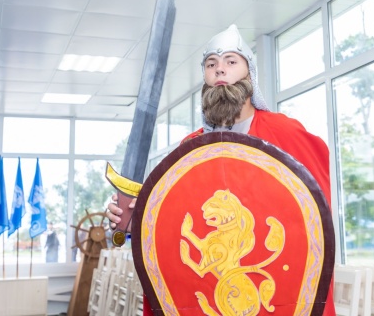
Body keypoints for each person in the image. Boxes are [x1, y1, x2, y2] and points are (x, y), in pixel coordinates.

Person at [107, 24, 335, 316]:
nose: (220, 70)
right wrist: (136, 222)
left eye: (231, 61)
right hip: (207, 289)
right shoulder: (189, 151)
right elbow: (177, 224)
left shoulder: (285, 134)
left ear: (249, 74)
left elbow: (314, 216)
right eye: (211, 64)